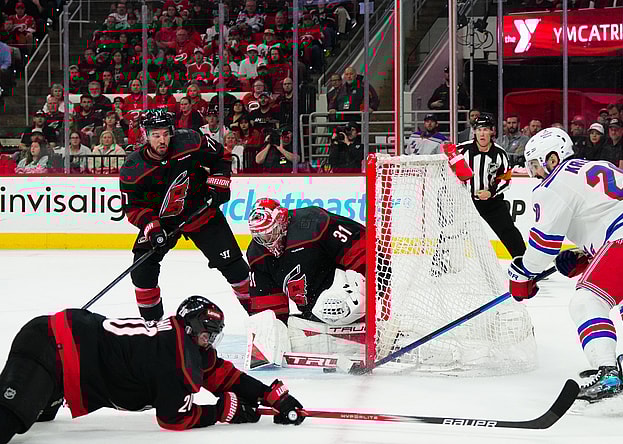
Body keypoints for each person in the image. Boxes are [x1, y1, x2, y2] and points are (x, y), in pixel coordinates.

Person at [508, 127, 623, 405]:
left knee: (585, 302)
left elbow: (542, 249)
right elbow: (607, 213)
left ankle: (608, 373)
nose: (533, 173)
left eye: (535, 164)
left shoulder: (553, 184)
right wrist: (585, 254)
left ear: (552, 159)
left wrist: (521, 274)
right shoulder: (595, 166)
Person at [0, 296, 305, 444]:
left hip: (63, 365)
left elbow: (223, 375)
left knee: (38, 418)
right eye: (208, 333)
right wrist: (221, 412)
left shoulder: (181, 341)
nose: (211, 340)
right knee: (11, 419)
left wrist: (269, 395)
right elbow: (173, 418)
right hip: (49, 347)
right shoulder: (175, 358)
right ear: (193, 329)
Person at [119, 109, 252, 321]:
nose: (162, 140)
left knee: (235, 268)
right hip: (163, 221)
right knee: (142, 271)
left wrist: (219, 181)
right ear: (145, 135)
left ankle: (261, 317)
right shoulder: (133, 168)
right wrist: (153, 230)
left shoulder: (190, 140)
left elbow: (221, 156)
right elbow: (133, 207)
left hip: (201, 211)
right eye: (156, 135)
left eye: (165, 133)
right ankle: (153, 327)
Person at [245, 198, 366, 366]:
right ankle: (340, 340)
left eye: (269, 233)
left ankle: (369, 326)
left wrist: (374, 295)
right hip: (314, 315)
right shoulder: (257, 254)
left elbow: (360, 246)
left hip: (349, 298)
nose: (266, 241)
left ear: (281, 221)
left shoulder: (313, 222)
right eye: (260, 237)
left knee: (333, 298)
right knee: (292, 327)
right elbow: (267, 305)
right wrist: (268, 339)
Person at [456, 113, 525, 258]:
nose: (482, 133)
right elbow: (448, 171)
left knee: (508, 231)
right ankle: (441, 261)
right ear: (474, 131)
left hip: (491, 203)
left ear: (492, 131)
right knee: (450, 229)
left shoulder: (500, 153)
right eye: (479, 129)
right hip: (464, 202)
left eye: (485, 129)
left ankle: (524, 264)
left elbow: (505, 179)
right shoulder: (462, 150)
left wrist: (490, 192)